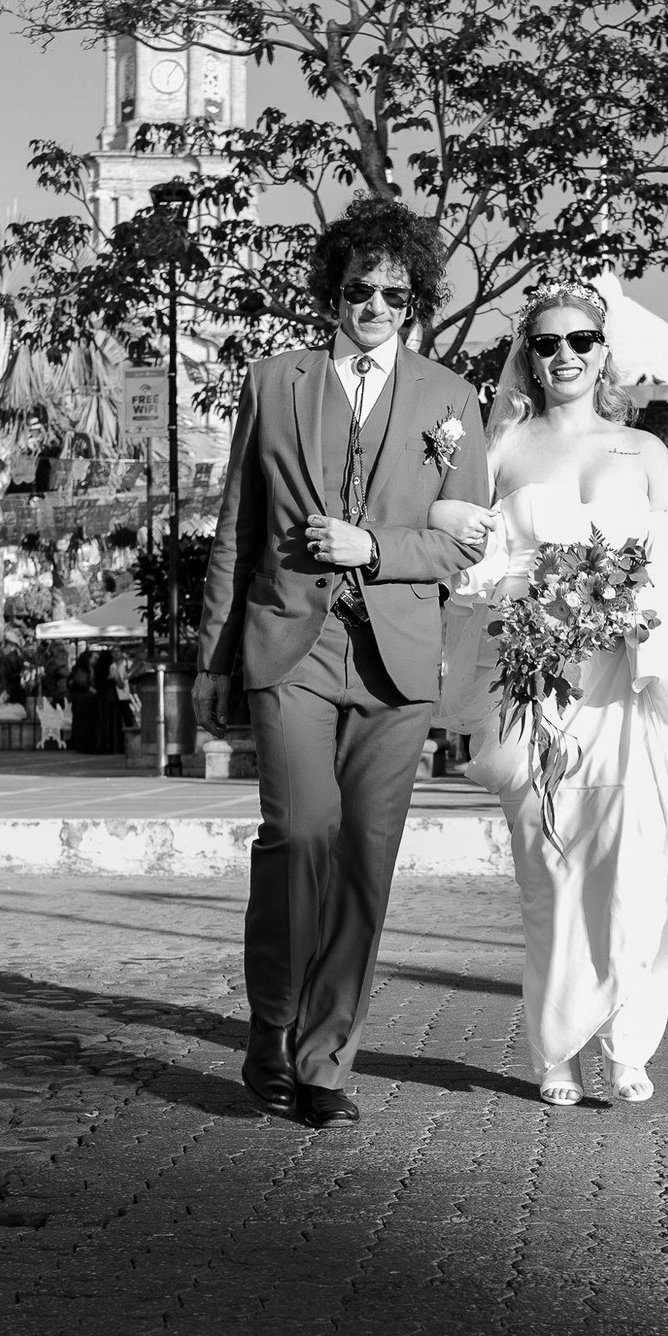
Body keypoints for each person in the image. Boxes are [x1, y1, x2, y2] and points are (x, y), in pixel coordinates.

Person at [429, 279, 668, 1109]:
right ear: (528, 356)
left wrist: (649, 603)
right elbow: (467, 571)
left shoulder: (645, 451)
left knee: (646, 865)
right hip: (540, 691)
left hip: (635, 689)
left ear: (602, 350)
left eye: (580, 341)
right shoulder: (501, 450)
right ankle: (556, 1048)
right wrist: (533, 593)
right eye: (546, 343)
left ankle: (627, 1043)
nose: (564, 356)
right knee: (551, 869)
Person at [191, 196, 491, 1130]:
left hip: (399, 656)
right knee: (303, 833)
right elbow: (237, 528)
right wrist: (209, 657)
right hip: (293, 643)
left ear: (416, 299)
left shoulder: (451, 398)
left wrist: (375, 546)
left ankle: (324, 1061)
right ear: (333, 288)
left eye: (395, 293)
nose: (375, 305)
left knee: (365, 858)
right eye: (359, 288)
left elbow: (467, 544)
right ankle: (271, 1024)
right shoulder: (274, 381)